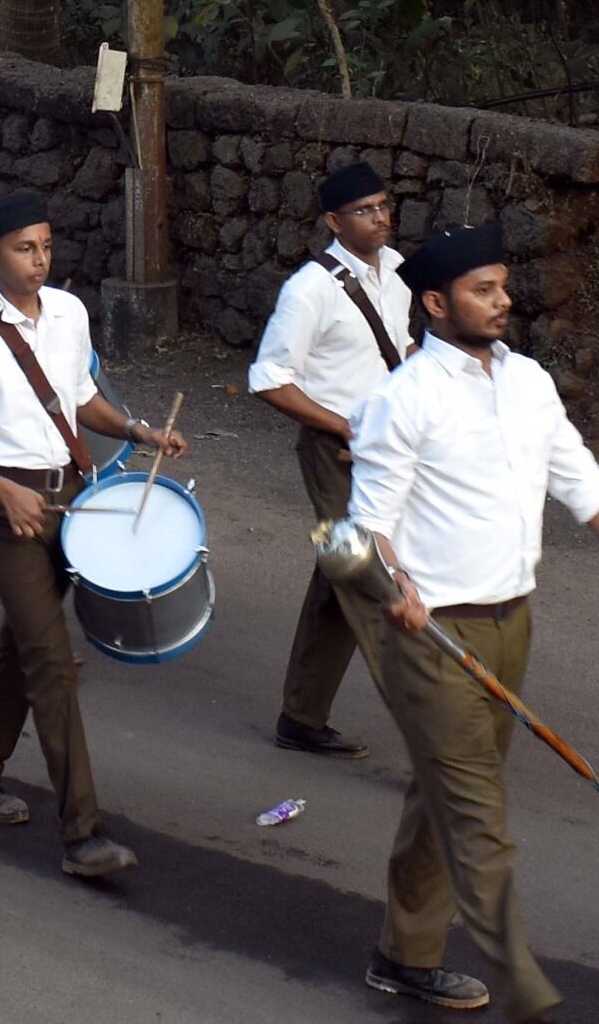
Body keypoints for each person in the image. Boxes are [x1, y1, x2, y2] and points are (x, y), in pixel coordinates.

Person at [342, 223, 599, 1022]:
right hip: (431, 634)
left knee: (443, 794)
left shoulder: (529, 384)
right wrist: (394, 585)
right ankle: (526, 992)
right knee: (477, 809)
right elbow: (363, 528)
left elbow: (590, 488)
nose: (504, 300)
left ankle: (402, 955)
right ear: (437, 302)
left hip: (512, 620)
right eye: (485, 290)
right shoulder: (401, 399)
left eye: (504, 286)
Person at [0, 192, 182, 878]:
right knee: (52, 660)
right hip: (5, 509)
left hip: (71, 498)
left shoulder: (70, 314)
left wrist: (138, 430)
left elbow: (78, 398)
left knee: (22, 645)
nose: (40, 259)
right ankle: (83, 834)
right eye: (25, 248)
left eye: (47, 246)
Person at [248, 162, 413, 759]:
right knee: (372, 581)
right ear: (333, 222)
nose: (381, 217)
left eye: (384, 205)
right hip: (335, 455)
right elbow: (269, 379)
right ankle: (435, 737)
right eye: (365, 211)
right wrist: (346, 426)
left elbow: (395, 347)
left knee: (337, 582)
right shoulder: (309, 289)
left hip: (390, 451)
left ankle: (301, 717)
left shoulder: (396, 274)